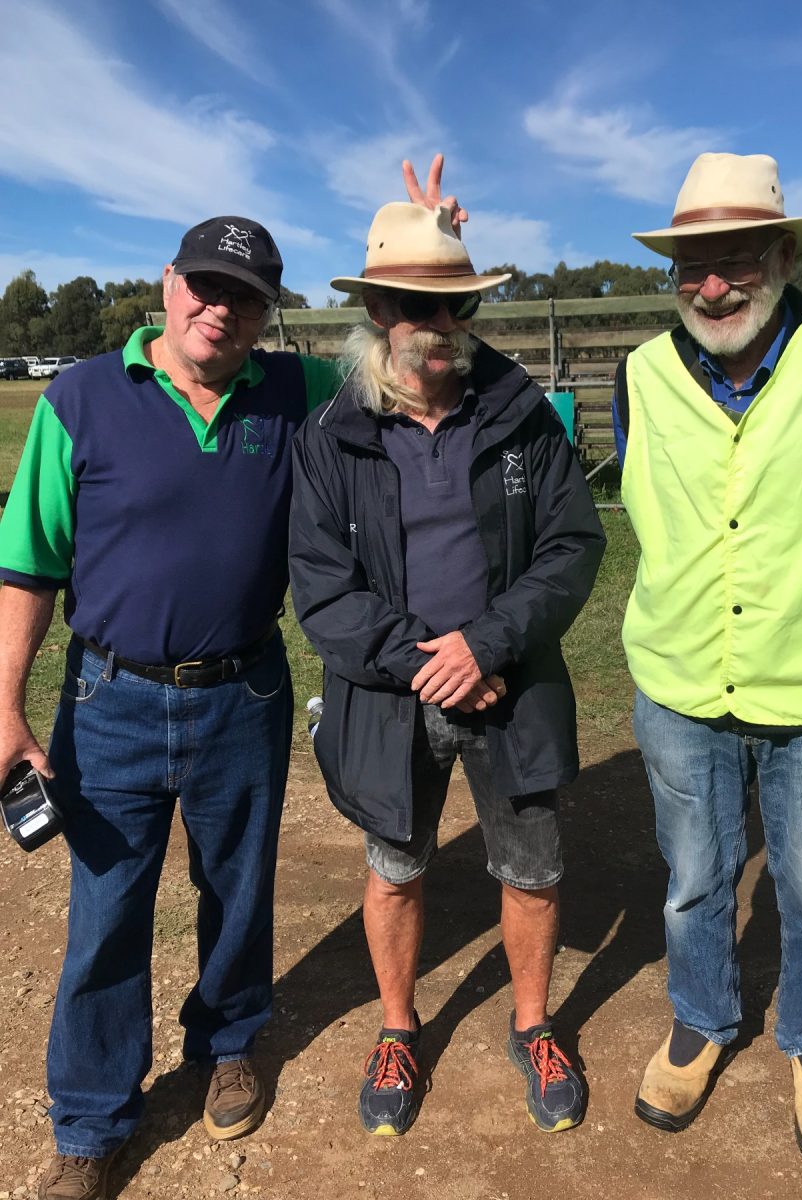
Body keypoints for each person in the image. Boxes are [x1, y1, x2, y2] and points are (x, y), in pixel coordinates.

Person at [0, 159, 457, 1200]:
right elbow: (26, 563)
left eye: (247, 297)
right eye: (207, 285)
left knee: (237, 893)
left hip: (242, 692)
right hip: (107, 701)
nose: (222, 308)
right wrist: (4, 707)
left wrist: (426, 254)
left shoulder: (292, 392)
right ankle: (91, 1121)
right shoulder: (80, 399)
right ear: (167, 285)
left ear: (265, 318)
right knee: (108, 913)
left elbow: (420, 367)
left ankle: (229, 1043)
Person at [613, 152, 802, 1168]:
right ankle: (703, 1020)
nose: (713, 284)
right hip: (680, 681)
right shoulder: (640, 373)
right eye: (692, 264)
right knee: (693, 880)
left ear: (784, 256)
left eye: (737, 257)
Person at [288, 184, 606, 1137]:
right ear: (376, 313)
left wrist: (489, 644)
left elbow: (572, 547)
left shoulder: (520, 414)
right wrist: (431, 663)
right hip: (392, 695)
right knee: (395, 866)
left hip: (511, 683)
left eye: (457, 303)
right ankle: (397, 1028)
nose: (440, 325)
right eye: (418, 306)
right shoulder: (331, 437)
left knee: (533, 871)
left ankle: (534, 1025)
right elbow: (322, 588)